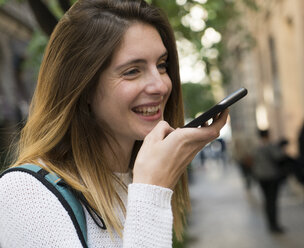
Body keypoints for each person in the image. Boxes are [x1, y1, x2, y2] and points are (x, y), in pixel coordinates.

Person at [0, 0, 229, 247]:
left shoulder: (134, 180)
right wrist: (152, 193)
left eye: (161, 65)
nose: (161, 85)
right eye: (132, 71)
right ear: (83, 87)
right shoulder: (24, 195)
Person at [252, 129, 286, 234]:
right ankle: (274, 225)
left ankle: (270, 224)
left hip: (261, 176)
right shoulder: (269, 145)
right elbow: (279, 157)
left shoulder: (257, 146)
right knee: (272, 201)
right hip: (271, 176)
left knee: (267, 201)